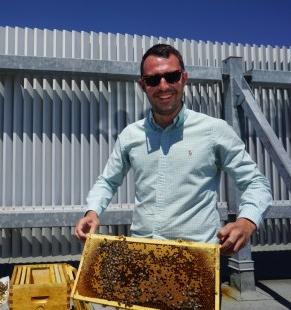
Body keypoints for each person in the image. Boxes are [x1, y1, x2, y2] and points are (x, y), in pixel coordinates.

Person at [74, 43, 272, 256]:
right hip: (141, 256)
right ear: (143, 85)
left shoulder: (214, 130)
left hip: (196, 260)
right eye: (153, 79)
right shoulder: (130, 135)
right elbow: (107, 181)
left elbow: (256, 182)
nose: (163, 86)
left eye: (171, 77)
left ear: (183, 79)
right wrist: (92, 211)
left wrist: (247, 221)